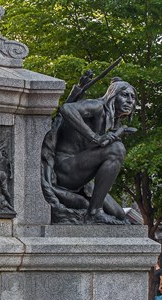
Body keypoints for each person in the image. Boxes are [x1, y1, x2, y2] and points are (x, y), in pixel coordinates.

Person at [43, 77, 136, 224]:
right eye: (125, 95)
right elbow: (67, 109)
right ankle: (95, 212)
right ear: (113, 95)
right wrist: (95, 137)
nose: (130, 101)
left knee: (121, 216)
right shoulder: (98, 106)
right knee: (117, 149)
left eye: (133, 97)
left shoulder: (111, 120)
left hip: (81, 179)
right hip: (65, 169)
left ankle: (95, 209)